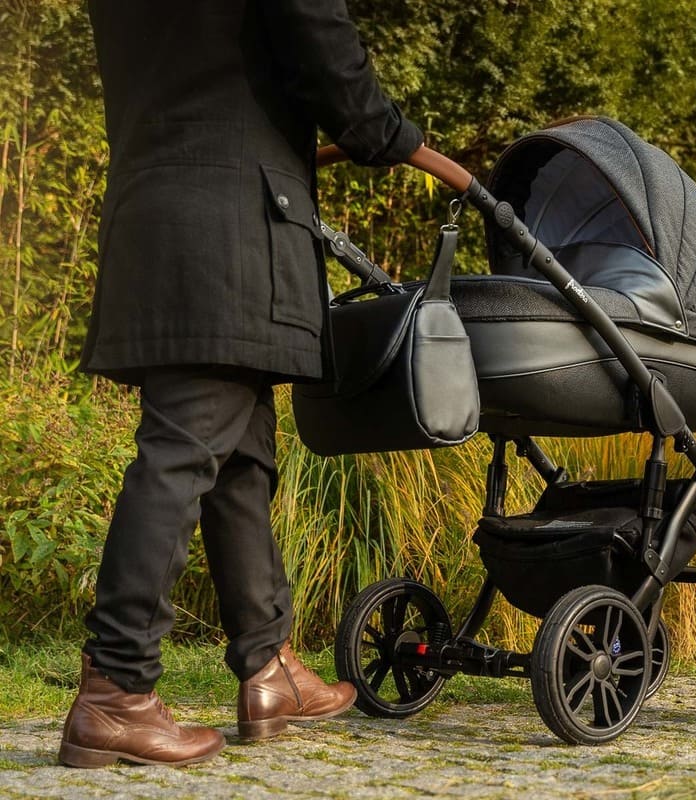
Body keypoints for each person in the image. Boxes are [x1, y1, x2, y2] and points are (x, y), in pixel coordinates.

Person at [59, 1, 424, 768]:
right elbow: (326, 51)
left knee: (240, 454)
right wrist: (390, 137)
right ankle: (115, 692)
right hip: (230, 225)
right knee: (186, 447)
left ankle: (268, 666)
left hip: (152, 206)